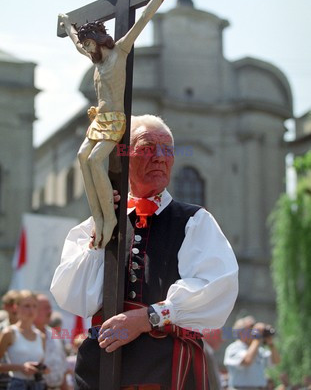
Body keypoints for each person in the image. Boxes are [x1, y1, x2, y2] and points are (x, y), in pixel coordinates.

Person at [51, 114, 239, 389]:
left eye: (167, 150)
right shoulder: (96, 224)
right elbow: (73, 297)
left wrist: (149, 317)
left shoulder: (195, 221)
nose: (160, 158)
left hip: (163, 365)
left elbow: (217, 288)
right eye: (148, 147)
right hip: (100, 365)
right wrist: (101, 233)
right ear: (123, 156)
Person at [58, 0, 184, 249]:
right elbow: (76, 43)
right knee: (82, 158)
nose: (87, 50)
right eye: (86, 46)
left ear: (100, 41)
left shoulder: (120, 52)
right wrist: (67, 23)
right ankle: (99, 216)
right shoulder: (97, 60)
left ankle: (110, 220)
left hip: (115, 118)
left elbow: (144, 18)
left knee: (94, 160)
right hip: (98, 120)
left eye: (90, 45)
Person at [0, 290, 49, 390]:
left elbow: (40, 363)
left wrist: (43, 369)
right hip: (16, 384)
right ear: (16, 307)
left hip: (37, 385)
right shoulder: (9, 332)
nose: (31, 310)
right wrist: (21, 367)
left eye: (34, 306)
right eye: (26, 306)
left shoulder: (41, 336)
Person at [224, 315, 281, 390]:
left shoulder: (259, 350)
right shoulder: (233, 348)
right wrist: (257, 338)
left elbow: (276, 361)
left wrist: (271, 344)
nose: (254, 331)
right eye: (250, 328)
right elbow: (247, 361)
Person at [34, 294, 68, 390]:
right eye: (46, 308)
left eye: (50, 308)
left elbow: (62, 367)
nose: (50, 312)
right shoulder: (27, 335)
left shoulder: (54, 333)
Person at [0, 290, 19, 390]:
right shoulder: (1, 329)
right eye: (11, 304)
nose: (14, 308)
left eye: (17, 304)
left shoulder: (32, 331)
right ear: (5, 307)